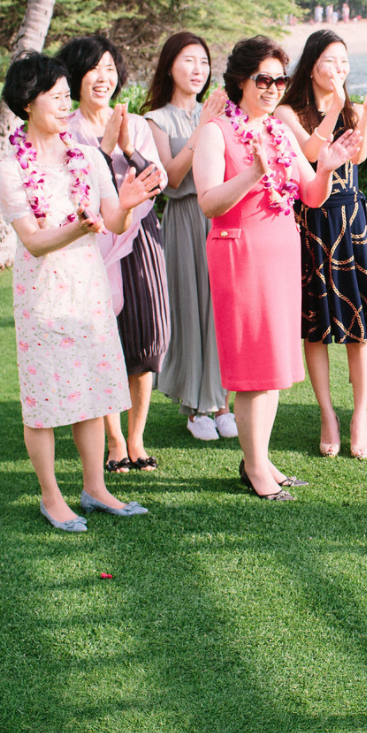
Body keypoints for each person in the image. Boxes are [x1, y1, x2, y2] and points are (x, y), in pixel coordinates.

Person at [0, 52, 160, 531]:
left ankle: (95, 488)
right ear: (28, 102)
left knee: (91, 390)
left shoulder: (86, 155)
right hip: (43, 294)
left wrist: (126, 205)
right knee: (45, 400)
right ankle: (51, 497)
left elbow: (111, 220)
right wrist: (78, 227)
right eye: (57, 96)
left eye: (69, 96)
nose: (66, 105)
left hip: (88, 289)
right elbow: (33, 239)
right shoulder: (11, 168)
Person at [193, 36, 361, 500]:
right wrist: (251, 175)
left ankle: (261, 460)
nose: (272, 88)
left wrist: (326, 167)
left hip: (283, 249)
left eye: (279, 80)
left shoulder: (280, 131)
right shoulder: (216, 133)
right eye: (262, 79)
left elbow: (310, 195)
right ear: (240, 82)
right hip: (239, 252)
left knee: (271, 366)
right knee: (251, 368)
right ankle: (254, 467)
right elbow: (208, 202)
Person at [275, 31, 367, 459]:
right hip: (311, 219)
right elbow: (312, 151)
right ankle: (327, 414)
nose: (340, 69)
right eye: (331, 61)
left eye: (345, 61)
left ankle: (359, 415)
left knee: (357, 327)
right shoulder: (289, 111)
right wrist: (334, 111)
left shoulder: (348, 106)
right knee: (316, 326)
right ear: (312, 66)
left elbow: (360, 155)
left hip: (351, 220)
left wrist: (363, 110)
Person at [58, 36, 169, 475]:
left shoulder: (136, 123)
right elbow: (72, 190)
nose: (103, 78)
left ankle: (138, 437)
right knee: (100, 343)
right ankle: (115, 440)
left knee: (147, 340)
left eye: (109, 68)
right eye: (93, 69)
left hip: (140, 238)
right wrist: (102, 149)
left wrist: (125, 146)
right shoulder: (64, 129)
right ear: (73, 77)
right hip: (89, 245)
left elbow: (157, 181)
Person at [142, 32, 235, 442]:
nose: (198, 70)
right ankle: (196, 406)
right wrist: (202, 128)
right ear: (169, 66)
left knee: (220, 310)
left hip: (219, 218)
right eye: (188, 61)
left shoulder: (219, 113)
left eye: (203, 62)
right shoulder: (155, 120)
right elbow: (171, 177)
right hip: (182, 218)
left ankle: (222, 402)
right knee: (190, 307)